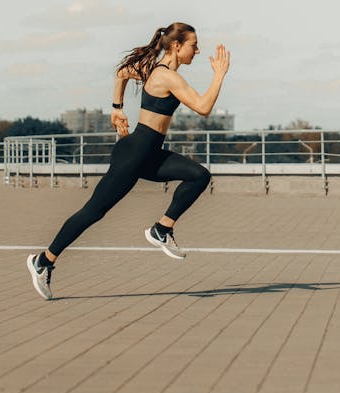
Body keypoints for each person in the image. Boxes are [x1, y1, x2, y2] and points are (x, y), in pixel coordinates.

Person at [27, 22, 230, 300]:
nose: (197, 50)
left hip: (149, 154)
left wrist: (117, 108)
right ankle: (44, 261)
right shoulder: (166, 76)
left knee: (199, 175)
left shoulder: (154, 70)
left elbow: (122, 73)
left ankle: (162, 229)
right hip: (134, 154)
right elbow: (204, 107)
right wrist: (219, 75)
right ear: (176, 45)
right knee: (93, 213)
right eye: (194, 45)